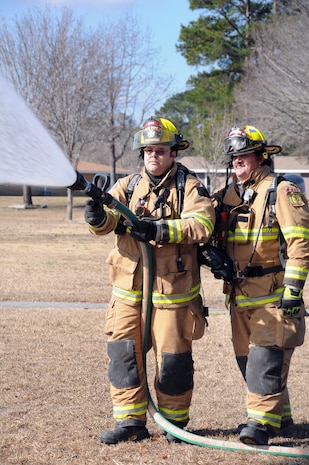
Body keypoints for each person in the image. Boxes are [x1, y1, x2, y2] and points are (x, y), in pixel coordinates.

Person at [85, 116, 216, 444]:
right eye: (148, 151)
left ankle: (175, 425)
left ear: (174, 153)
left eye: (160, 150)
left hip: (173, 294)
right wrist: (97, 216)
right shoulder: (127, 186)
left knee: (173, 361)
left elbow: (203, 225)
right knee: (123, 355)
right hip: (128, 292)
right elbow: (108, 221)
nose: (153, 156)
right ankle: (130, 423)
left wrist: (160, 230)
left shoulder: (190, 187)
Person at [211, 125, 309, 445]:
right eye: (234, 156)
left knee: (265, 360)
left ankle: (259, 426)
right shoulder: (227, 195)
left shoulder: (281, 191)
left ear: (261, 156)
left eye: (244, 155)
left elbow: (301, 243)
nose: (237, 160)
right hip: (239, 295)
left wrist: (293, 290)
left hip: (274, 295)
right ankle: (282, 418)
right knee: (249, 362)